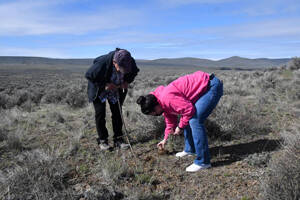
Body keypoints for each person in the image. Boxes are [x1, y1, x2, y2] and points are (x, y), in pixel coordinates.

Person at [136, 71, 223, 172]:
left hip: (210, 86)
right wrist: (165, 140)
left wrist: (180, 127)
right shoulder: (161, 102)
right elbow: (170, 123)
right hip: (204, 86)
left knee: (195, 120)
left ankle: (203, 161)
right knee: (185, 119)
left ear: (156, 106)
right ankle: (190, 150)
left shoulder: (167, 99)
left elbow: (189, 110)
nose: (154, 115)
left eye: (153, 112)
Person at [85, 48, 139, 150]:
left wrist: (126, 81)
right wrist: (105, 84)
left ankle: (118, 140)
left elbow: (134, 72)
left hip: (117, 89)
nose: (121, 70)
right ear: (114, 62)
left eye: (125, 69)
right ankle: (103, 141)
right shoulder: (102, 62)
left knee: (117, 113)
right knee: (100, 114)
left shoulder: (130, 61)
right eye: (120, 67)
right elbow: (89, 75)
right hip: (100, 89)